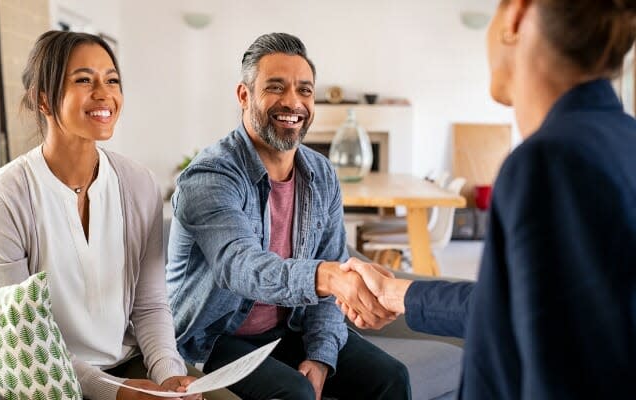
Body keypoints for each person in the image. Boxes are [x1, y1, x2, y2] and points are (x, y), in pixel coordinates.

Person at [338, 0, 636, 398]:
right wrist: (398, 294)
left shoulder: (551, 162)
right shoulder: (623, 141)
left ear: (515, 13)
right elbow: (518, 310)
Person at [166, 32, 410, 400]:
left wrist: (322, 354)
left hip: (287, 330)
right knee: (293, 392)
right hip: (213, 339)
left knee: (392, 377)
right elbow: (240, 265)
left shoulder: (322, 174)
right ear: (244, 95)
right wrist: (325, 276)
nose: (293, 103)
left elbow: (333, 273)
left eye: (305, 91)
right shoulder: (210, 176)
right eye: (276, 88)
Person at [0, 31, 199, 400]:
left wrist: (170, 376)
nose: (104, 93)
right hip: (45, 379)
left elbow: (150, 304)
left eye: (112, 80)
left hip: (129, 363)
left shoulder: (139, 184)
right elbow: (22, 338)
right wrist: (117, 392)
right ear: (44, 99)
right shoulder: (4, 199)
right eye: (83, 80)